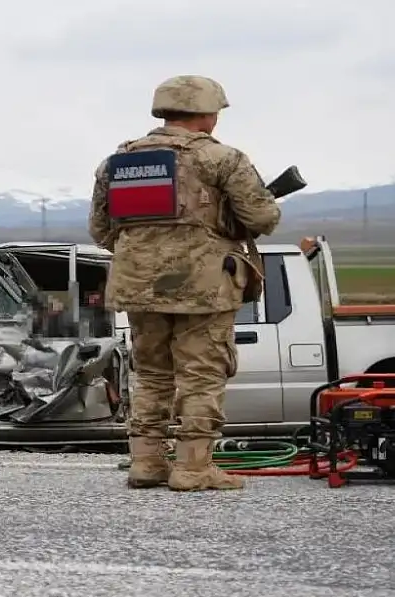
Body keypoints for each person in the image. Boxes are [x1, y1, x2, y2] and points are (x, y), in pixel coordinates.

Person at [87, 75, 282, 491]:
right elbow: (262, 219)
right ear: (207, 115)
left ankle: (146, 464)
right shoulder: (221, 159)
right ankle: (194, 468)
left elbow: (101, 231)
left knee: (153, 374)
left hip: (139, 285)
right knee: (201, 375)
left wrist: (148, 248)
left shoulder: (118, 162)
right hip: (203, 287)